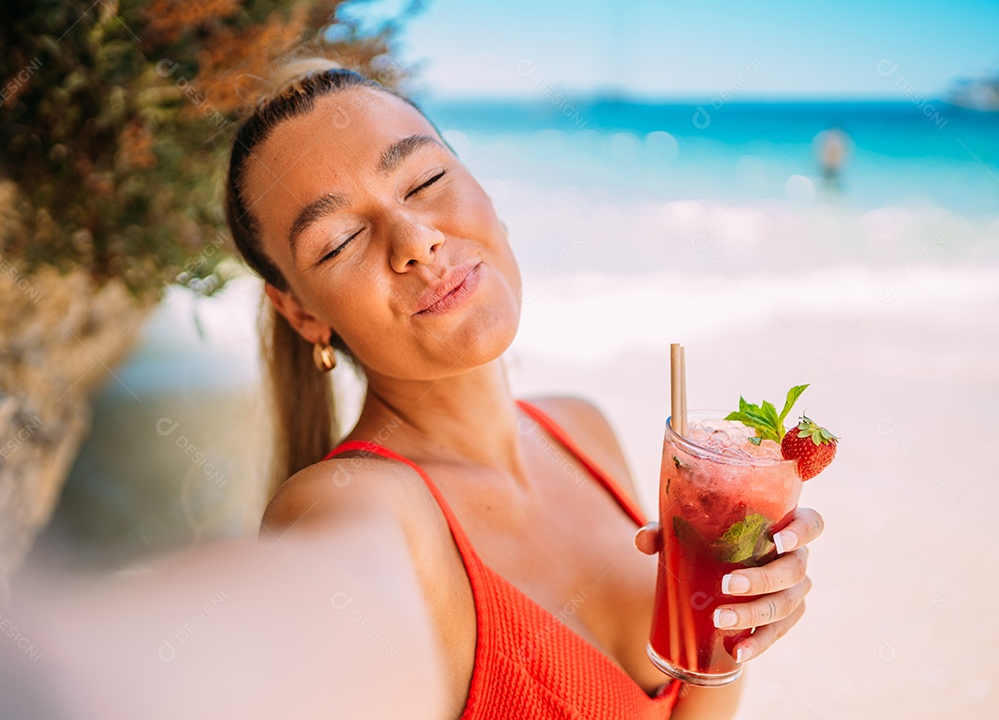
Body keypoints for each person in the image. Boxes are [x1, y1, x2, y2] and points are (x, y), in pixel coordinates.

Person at [224, 58, 824, 719]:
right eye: (339, 241)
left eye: (424, 181)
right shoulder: (341, 510)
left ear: (486, 194)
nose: (416, 242)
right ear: (302, 312)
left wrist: (723, 639)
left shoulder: (582, 429)